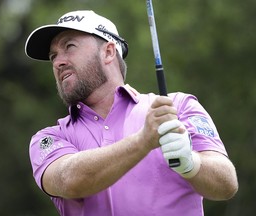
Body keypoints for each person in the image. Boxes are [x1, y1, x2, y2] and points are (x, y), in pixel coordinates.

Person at [25, 10, 238, 216]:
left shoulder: (176, 107)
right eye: (53, 56)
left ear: (108, 52)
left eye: (69, 46)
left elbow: (227, 184)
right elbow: (69, 180)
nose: (58, 62)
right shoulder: (49, 138)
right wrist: (143, 141)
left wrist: (191, 163)